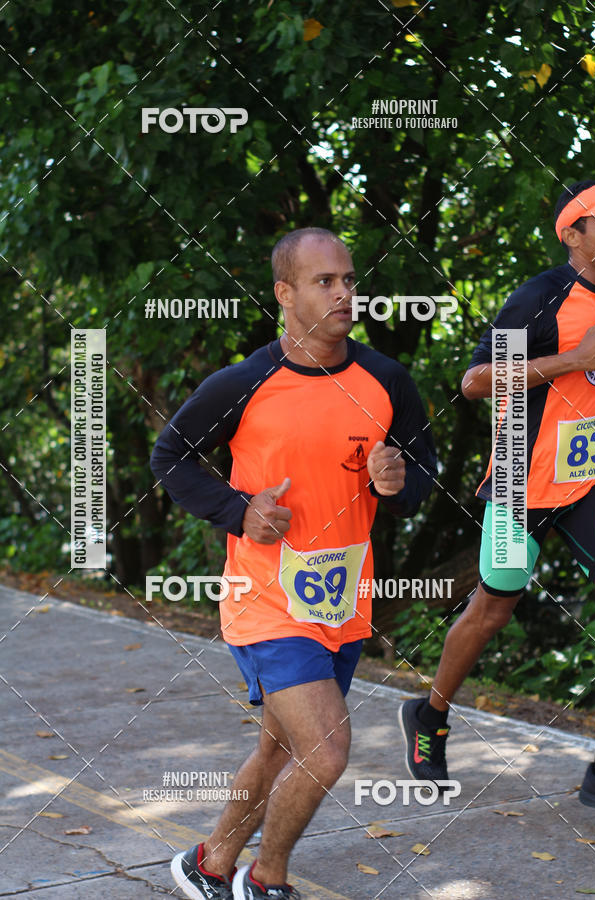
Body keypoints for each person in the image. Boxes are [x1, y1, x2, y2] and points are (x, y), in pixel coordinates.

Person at [150, 227, 437, 900]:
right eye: (324, 282)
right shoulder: (244, 383)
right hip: (267, 600)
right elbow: (171, 458)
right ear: (285, 293)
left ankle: (210, 862)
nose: (345, 293)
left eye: (349, 280)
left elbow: (423, 472)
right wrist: (240, 510)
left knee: (281, 748)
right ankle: (266, 880)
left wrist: (399, 483)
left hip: (343, 603)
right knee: (328, 750)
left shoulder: (386, 379)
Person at [399, 180, 595, 811]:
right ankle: (429, 715)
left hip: (591, 474)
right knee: (493, 610)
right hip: (520, 473)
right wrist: (572, 359)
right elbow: (477, 380)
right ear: (573, 233)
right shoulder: (541, 300)